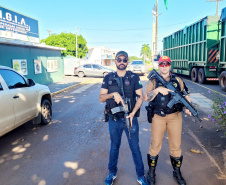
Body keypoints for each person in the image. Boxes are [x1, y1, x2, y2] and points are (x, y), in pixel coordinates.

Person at [99, 51, 149, 185]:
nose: (122, 62)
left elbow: (140, 97)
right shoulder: (108, 77)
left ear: (127, 62)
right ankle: (112, 172)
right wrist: (112, 94)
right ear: (115, 61)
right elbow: (101, 98)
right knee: (114, 146)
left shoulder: (134, 77)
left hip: (130, 118)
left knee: (135, 147)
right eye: (119, 59)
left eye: (124, 60)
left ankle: (140, 175)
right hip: (114, 119)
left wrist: (133, 113)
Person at [144, 56, 192, 185]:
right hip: (158, 117)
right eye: (162, 64)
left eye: (167, 64)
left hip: (175, 117)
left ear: (170, 65)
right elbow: (146, 98)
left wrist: (188, 107)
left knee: (176, 146)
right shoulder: (154, 81)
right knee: (155, 145)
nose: (164, 66)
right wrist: (158, 90)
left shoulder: (178, 80)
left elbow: (186, 94)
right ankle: (151, 172)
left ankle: (177, 172)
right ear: (159, 66)